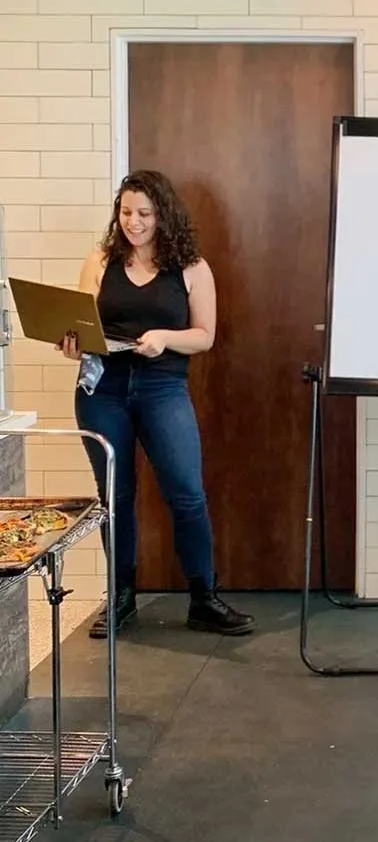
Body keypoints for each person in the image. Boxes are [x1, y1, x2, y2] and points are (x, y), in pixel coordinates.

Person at [62, 170, 253, 640]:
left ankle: (203, 598)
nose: (134, 222)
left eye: (144, 213)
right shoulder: (100, 261)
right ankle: (122, 597)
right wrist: (72, 342)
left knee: (186, 493)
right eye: (126, 212)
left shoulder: (192, 268)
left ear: (163, 215)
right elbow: (81, 322)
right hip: (102, 389)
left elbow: (204, 336)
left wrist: (164, 338)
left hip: (162, 387)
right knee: (116, 497)